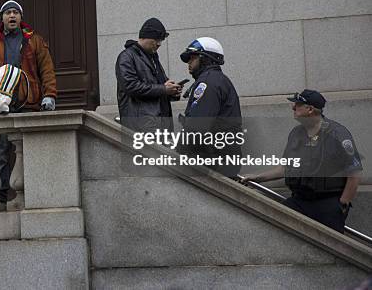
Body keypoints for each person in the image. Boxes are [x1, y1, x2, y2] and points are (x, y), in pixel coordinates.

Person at [0, 0, 57, 204]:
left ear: (21, 17)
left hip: (28, 104)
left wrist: (49, 96)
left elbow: (47, 70)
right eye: (8, 13)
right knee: (0, 153)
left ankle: (33, 196)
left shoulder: (34, 40)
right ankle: (0, 196)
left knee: (29, 152)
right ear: (1, 18)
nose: (12, 16)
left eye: (15, 13)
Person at [240, 90, 363, 233]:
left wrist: (342, 204)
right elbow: (286, 168)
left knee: (329, 251)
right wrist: (257, 178)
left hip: (327, 204)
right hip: (300, 201)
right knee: (275, 229)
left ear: (310, 109)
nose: (293, 108)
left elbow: (355, 173)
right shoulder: (297, 133)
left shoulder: (337, 134)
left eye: (297, 104)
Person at [177, 37, 242, 177]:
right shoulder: (216, 80)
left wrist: (179, 152)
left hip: (213, 161)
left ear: (205, 58)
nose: (189, 62)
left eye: (192, 58)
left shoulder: (208, 82)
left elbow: (197, 126)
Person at [115, 18, 181, 133]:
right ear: (145, 36)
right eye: (156, 39)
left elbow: (160, 87)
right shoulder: (127, 57)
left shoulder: (153, 57)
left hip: (159, 125)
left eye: (161, 40)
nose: (159, 43)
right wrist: (164, 89)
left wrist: (172, 91)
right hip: (142, 127)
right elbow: (131, 87)